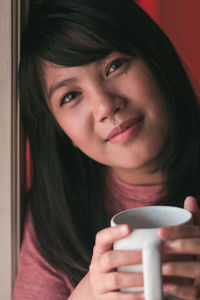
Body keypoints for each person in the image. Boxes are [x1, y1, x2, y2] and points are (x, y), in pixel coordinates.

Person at [13, 0, 200, 299]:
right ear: (62, 132)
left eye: (114, 66)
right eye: (70, 96)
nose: (105, 105)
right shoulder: (55, 214)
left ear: (155, 59)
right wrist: (86, 294)